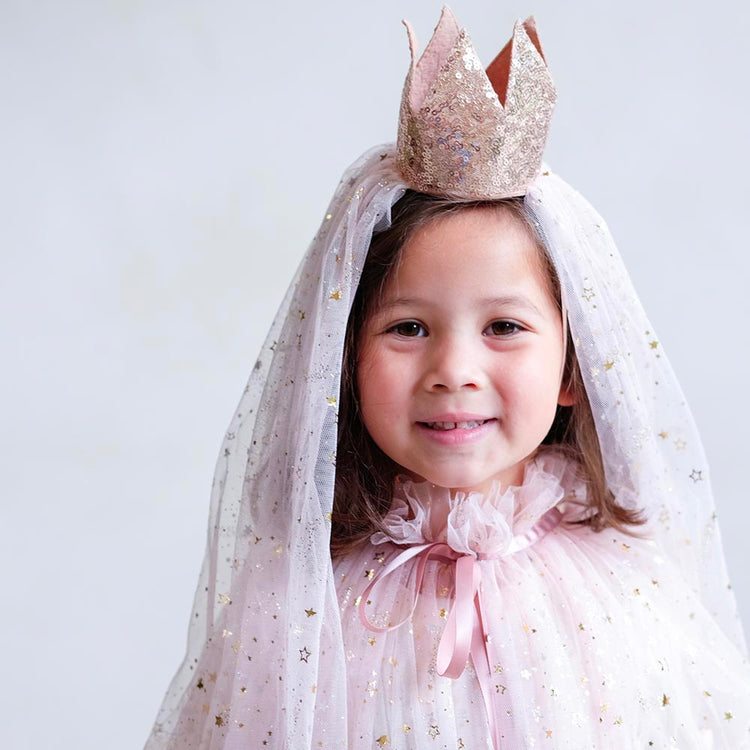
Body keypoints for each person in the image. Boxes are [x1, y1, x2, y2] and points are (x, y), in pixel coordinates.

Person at [145, 7, 750, 749]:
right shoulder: (299, 613)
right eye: (408, 328)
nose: (454, 371)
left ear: (574, 368)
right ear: (344, 363)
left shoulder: (625, 597)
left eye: (504, 327)